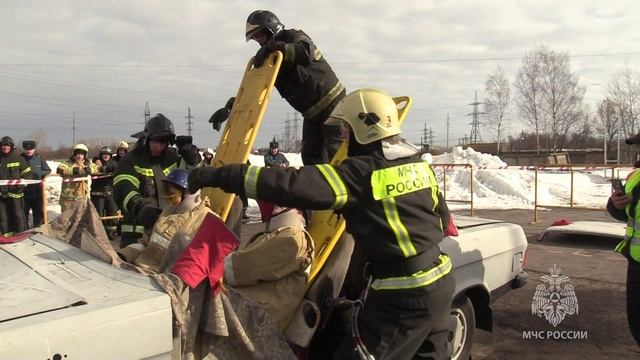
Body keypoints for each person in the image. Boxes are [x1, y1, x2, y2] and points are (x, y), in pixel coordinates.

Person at [189, 88, 454, 359]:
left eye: (347, 129)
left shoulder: (360, 174)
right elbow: (443, 219)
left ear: (365, 129)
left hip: (403, 299)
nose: (345, 137)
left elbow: (289, 185)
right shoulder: (418, 166)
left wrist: (219, 175)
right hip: (441, 282)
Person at [209, 10, 345, 165]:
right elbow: (256, 90)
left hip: (333, 104)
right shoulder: (272, 58)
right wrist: (231, 107)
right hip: (311, 114)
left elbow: (305, 53)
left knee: (339, 154)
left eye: (259, 35)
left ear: (271, 28)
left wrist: (274, 48)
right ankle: (323, 189)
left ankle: (355, 188)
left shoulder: (293, 36)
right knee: (311, 158)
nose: (259, 41)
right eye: (255, 38)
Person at [113, 114, 181, 248]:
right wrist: (140, 207)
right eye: (155, 142)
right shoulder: (131, 160)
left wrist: (192, 160)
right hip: (136, 231)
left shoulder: (172, 158)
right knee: (131, 264)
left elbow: (190, 181)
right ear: (146, 139)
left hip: (165, 228)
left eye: (163, 143)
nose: (158, 147)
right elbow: (123, 188)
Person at [608, 131, 640, 346]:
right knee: (636, 320)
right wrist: (616, 204)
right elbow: (625, 212)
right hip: (636, 261)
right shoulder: (635, 176)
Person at [0, 136, 31, 237]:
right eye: (4, 145)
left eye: (8, 145)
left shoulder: (18, 158)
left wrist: (23, 181)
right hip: (2, 195)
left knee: (18, 216)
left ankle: (21, 234)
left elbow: (28, 173)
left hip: (16, 194)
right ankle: (6, 236)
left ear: (12, 146)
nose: (5, 147)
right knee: (3, 218)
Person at [56, 143, 98, 213]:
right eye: (77, 154)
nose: (79, 156)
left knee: (80, 218)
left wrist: (90, 170)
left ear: (85, 155)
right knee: (67, 218)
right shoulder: (68, 163)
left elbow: (97, 168)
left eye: (82, 154)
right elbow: (60, 169)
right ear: (74, 154)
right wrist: (73, 170)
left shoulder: (87, 164)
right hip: (68, 198)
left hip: (81, 197)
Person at [20, 140, 51, 228]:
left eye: (31, 149)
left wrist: (38, 174)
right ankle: (24, 230)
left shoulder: (39, 159)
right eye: (27, 149)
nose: (29, 151)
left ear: (34, 149)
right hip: (24, 192)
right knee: (23, 214)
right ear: (24, 149)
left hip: (37, 192)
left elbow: (48, 170)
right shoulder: (20, 159)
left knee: (38, 213)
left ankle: (37, 230)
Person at [91, 146, 119, 239]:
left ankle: (111, 232)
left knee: (112, 212)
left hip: (110, 193)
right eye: (104, 154)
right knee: (99, 214)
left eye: (108, 154)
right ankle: (100, 233)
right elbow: (92, 169)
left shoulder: (114, 163)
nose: (106, 156)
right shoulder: (95, 163)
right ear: (101, 155)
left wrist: (105, 169)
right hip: (97, 194)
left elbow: (116, 168)